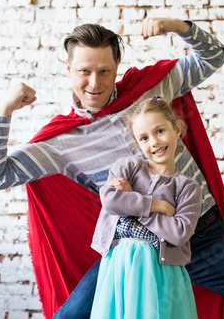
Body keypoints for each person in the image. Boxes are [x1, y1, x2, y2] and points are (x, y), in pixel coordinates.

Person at [0, 17, 224, 319]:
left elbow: (214, 56)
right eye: (85, 71)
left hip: (203, 240)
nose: (95, 82)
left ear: (117, 65)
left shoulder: (152, 90)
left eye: (104, 70)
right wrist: (4, 111)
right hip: (130, 254)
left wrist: (179, 27)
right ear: (68, 68)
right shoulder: (61, 142)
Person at [89, 96, 201, 319]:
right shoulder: (128, 167)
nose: (154, 142)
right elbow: (111, 201)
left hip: (161, 272)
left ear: (177, 130)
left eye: (160, 131)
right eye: (144, 138)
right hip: (119, 266)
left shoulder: (188, 187)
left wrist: (131, 201)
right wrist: (156, 206)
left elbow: (178, 232)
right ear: (137, 144)